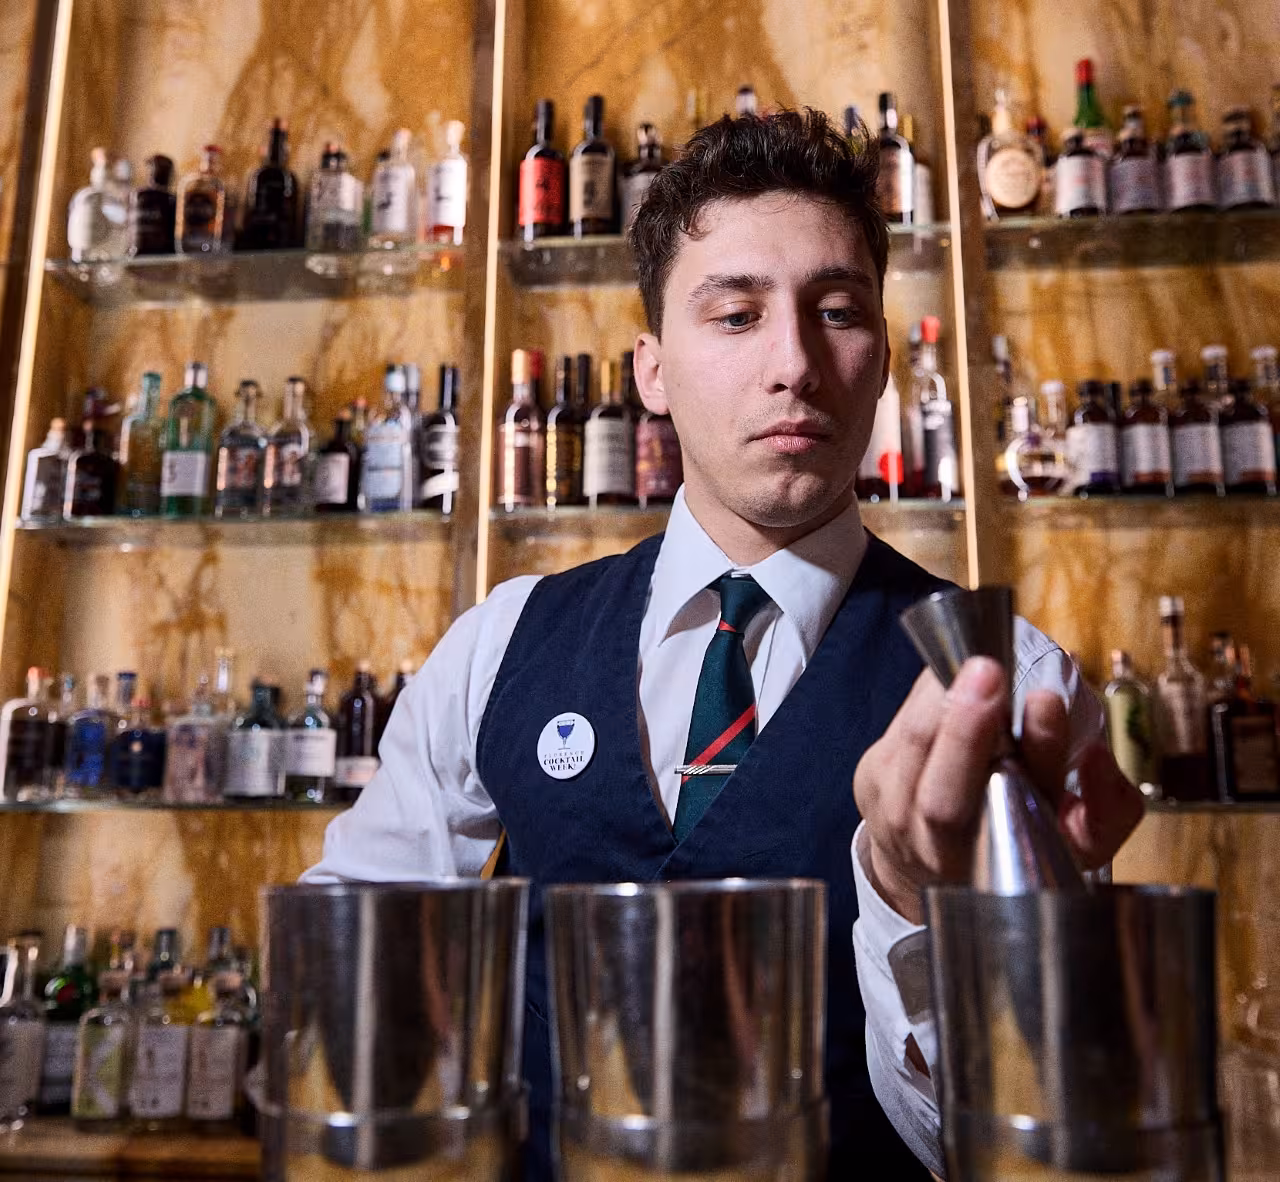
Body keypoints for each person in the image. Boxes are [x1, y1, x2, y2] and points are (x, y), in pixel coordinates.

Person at [303, 108, 1143, 1178]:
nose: (792, 363)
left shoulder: (999, 684)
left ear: (881, 358)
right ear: (649, 371)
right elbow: (347, 991)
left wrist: (910, 907)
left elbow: (1020, 1141)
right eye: (735, 315)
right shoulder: (499, 643)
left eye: (835, 311)